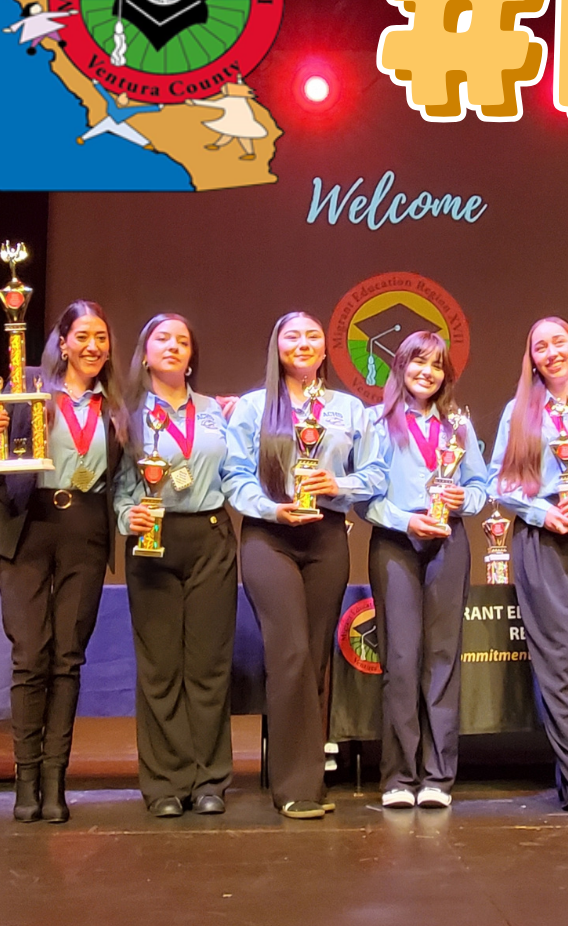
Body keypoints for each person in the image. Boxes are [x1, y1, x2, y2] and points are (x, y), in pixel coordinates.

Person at [223, 312, 387, 819]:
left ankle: (310, 780)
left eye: (313, 335)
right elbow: (234, 474)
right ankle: (294, 787)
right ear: (277, 346)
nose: (303, 343)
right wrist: (272, 508)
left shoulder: (349, 408)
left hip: (326, 536)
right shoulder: (253, 407)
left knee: (314, 657)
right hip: (269, 534)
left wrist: (339, 485)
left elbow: (376, 473)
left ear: (324, 349)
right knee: (289, 652)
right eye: (291, 335)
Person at [0, 300, 127, 824]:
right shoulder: (30, 385)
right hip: (27, 524)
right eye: (82, 336)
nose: (92, 346)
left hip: (85, 529)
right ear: (63, 342)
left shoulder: (116, 404)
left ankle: (55, 781)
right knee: (29, 655)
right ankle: (25, 781)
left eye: (101, 337)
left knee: (67, 657)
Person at [488, 317, 568, 817]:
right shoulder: (518, 411)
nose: (551, 352)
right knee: (557, 658)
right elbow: (500, 481)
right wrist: (542, 512)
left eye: (558, 342)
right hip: (539, 534)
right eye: (540, 347)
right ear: (533, 359)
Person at [114, 314, 238, 819]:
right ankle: (165, 782)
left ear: (191, 357)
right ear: (145, 354)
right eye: (162, 339)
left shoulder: (218, 412)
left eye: (183, 341)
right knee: (160, 669)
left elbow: (237, 470)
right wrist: (127, 515)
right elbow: (119, 486)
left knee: (208, 667)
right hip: (151, 540)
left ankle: (210, 780)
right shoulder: (124, 415)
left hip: (210, 537)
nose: (173, 346)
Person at [359, 332, 487, 809]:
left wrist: (463, 499)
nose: (427, 372)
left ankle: (437, 776)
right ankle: (399, 776)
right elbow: (364, 497)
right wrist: (405, 520)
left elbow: (480, 487)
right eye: (418, 362)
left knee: (443, 656)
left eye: (436, 365)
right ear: (400, 366)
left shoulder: (459, 426)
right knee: (400, 657)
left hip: (448, 540)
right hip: (396, 540)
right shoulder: (375, 422)